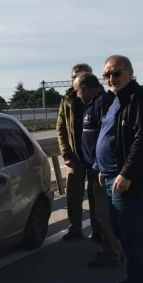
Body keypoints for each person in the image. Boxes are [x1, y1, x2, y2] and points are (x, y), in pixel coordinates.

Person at [96, 55, 143, 283]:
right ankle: (142, 276)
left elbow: (142, 139)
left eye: (116, 73)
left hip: (125, 179)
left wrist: (127, 173)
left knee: (131, 234)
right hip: (111, 175)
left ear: (130, 72)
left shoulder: (139, 98)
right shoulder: (117, 99)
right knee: (121, 230)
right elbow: (111, 135)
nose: (111, 79)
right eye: (106, 75)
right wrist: (102, 167)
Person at [74, 72, 125, 268]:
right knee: (102, 214)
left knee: (104, 215)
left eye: (77, 90)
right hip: (96, 168)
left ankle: (114, 253)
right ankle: (113, 249)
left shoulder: (103, 103)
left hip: (102, 170)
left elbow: (108, 137)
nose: (77, 94)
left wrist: (99, 165)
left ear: (85, 88)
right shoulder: (94, 104)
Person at [56, 63, 104, 243]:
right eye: (74, 76)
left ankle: (99, 230)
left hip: (96, 156)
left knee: (97, 195)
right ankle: (75, 228)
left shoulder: (102, 97)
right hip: (75, 156)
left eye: (81, 75)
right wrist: (66, 153)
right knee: (73, 195)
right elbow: (60, 128)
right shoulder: (67, 99)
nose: (77, 79)